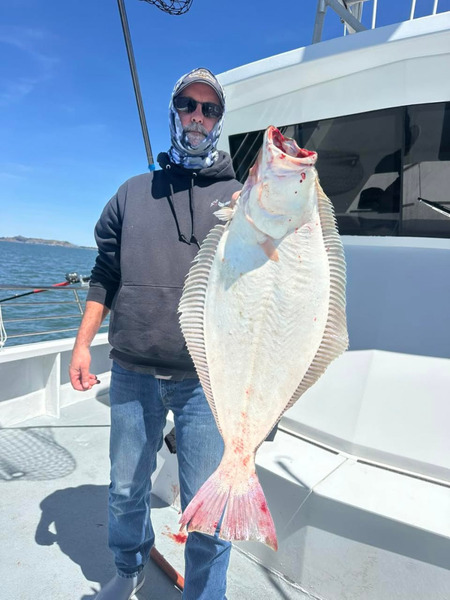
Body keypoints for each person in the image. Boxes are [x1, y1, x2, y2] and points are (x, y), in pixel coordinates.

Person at [69, 67, 242, 600]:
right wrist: (82, 344)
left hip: (207, 384)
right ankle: (128, 570)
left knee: (208, 511)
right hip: (133, 372)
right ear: (174, 113)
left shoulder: (242, 197)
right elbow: (105, 272)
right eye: (188, 105)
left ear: (219, 120)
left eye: (209, 109)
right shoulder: (132, 192)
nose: (198, 116)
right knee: (125, 491)